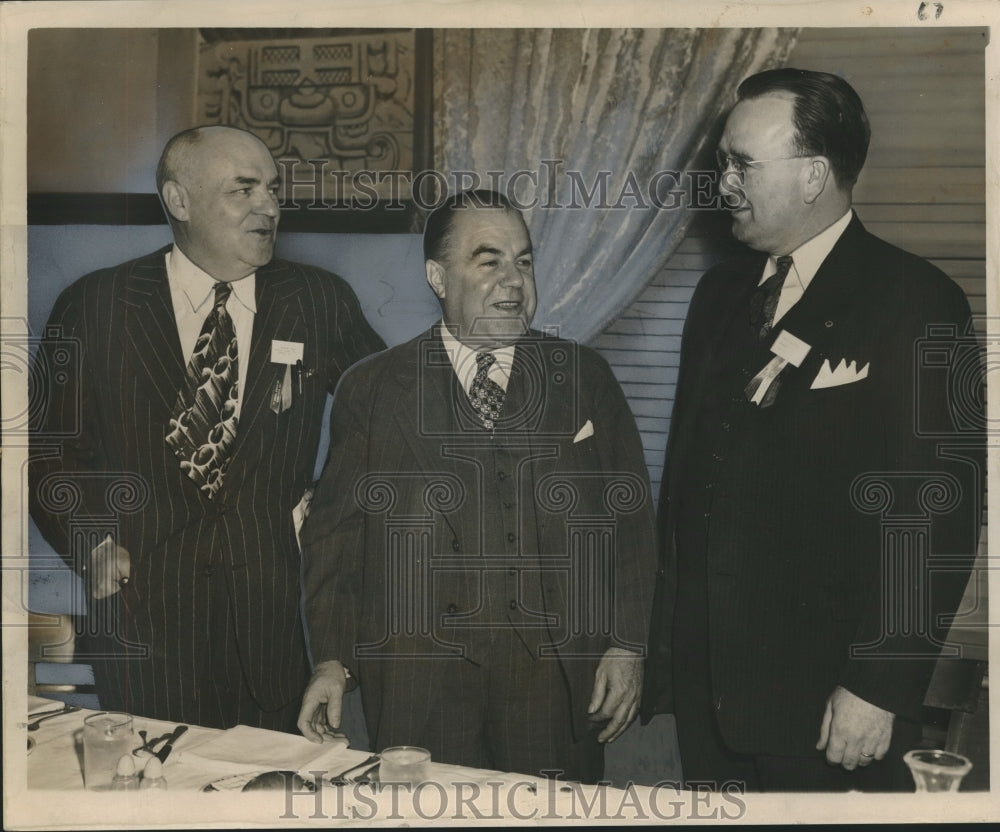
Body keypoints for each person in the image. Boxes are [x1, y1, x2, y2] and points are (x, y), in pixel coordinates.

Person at [641, 69, 983, 791]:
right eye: (721, 162)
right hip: (709, 702)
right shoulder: (718, 295)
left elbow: (937, 516)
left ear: (814, 176)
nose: (723, 183)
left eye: (742, 165)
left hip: (828, 706)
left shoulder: (919, 301)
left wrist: (879, 687)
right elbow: (690, 483)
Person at [29, 125, 386, 731]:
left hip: (279, 626)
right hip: (145, 628)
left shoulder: (319, 301)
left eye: (272, 189)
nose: (269, 206)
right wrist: (89, 539)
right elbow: (48, 454)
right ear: (180, 201)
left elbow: (384, 421)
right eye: (243, 190)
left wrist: (329, 509)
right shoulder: (94, 305)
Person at [296, 190, 656, 782]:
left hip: (554, 679)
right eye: (489, 262)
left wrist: (627, 644)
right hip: (419, 680)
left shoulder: (584, 377)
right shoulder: (374, 389)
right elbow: (334, 541)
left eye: (524, 261)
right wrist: (331, 661)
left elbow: (632, 528)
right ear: (438, 276)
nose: (513, 281)